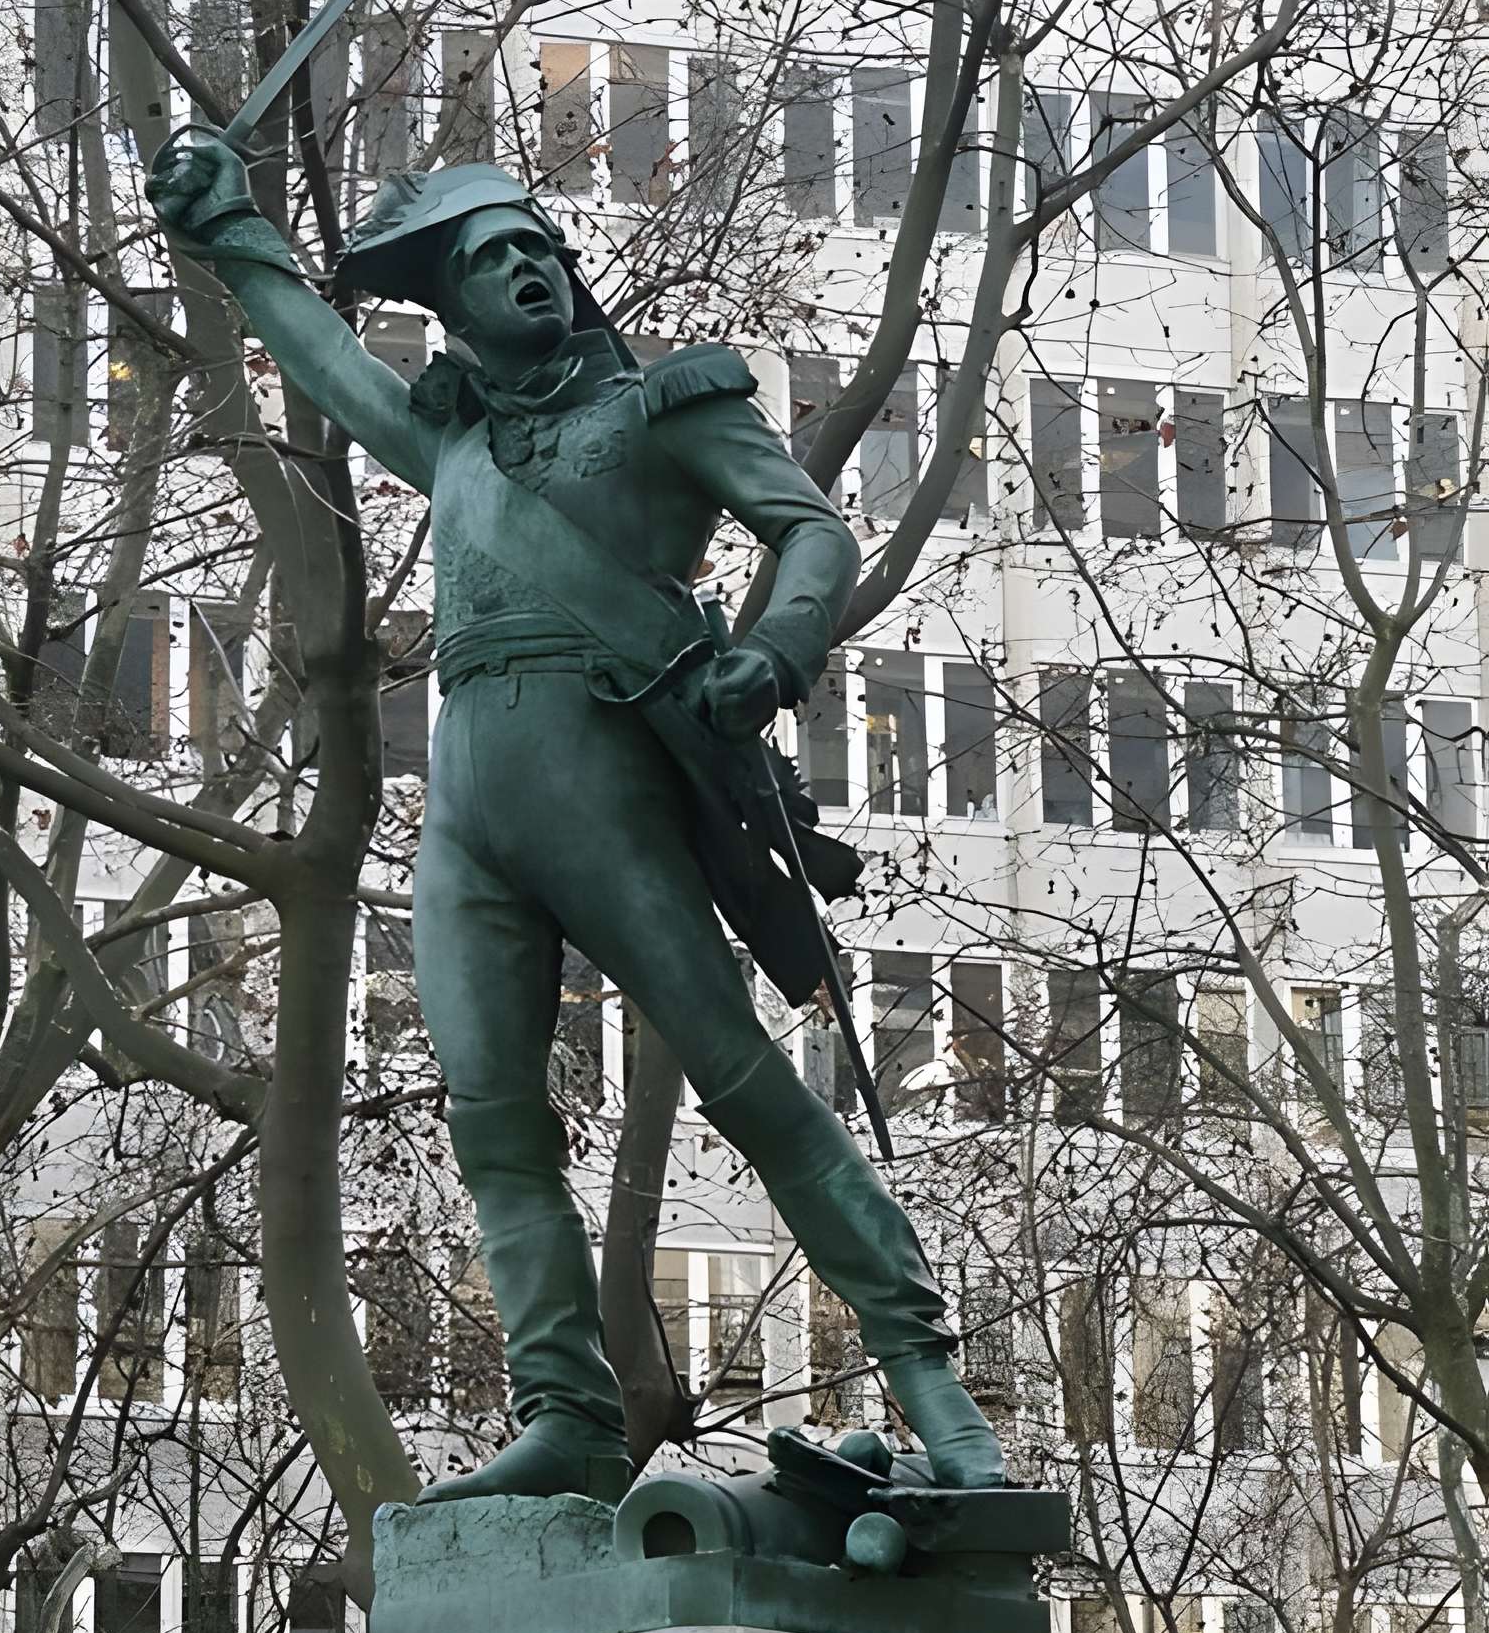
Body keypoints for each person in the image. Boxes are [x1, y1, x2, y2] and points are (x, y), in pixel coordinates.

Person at [148, 134, 1004, 1503]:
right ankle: (564, 1409)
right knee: (493, 1119)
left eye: (537, 248)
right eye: (492, 259)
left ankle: (934, 1388)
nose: (525, 268)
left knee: (742, 1078)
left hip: (606, 787)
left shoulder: (662, 404)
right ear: (451, 303)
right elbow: (323, 356)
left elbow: (812, 530)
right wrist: (228, 231)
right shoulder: (451, 441)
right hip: (464, 817)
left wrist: (777, 650)